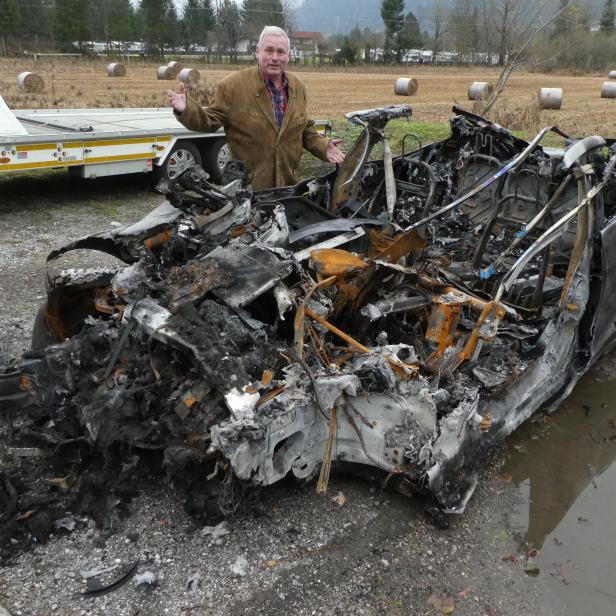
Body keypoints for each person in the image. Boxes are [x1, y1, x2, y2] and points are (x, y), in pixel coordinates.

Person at [168, 26, 344, 190]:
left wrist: (323, 146)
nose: (275, 57)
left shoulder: (298, 87)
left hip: (287, 189)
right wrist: (186, 109)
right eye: (269, 50)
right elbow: (208, 121)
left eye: (281, 52)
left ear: (288, 56)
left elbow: (303, 128)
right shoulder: (232, 86)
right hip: (247, 190)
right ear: (258, 52)